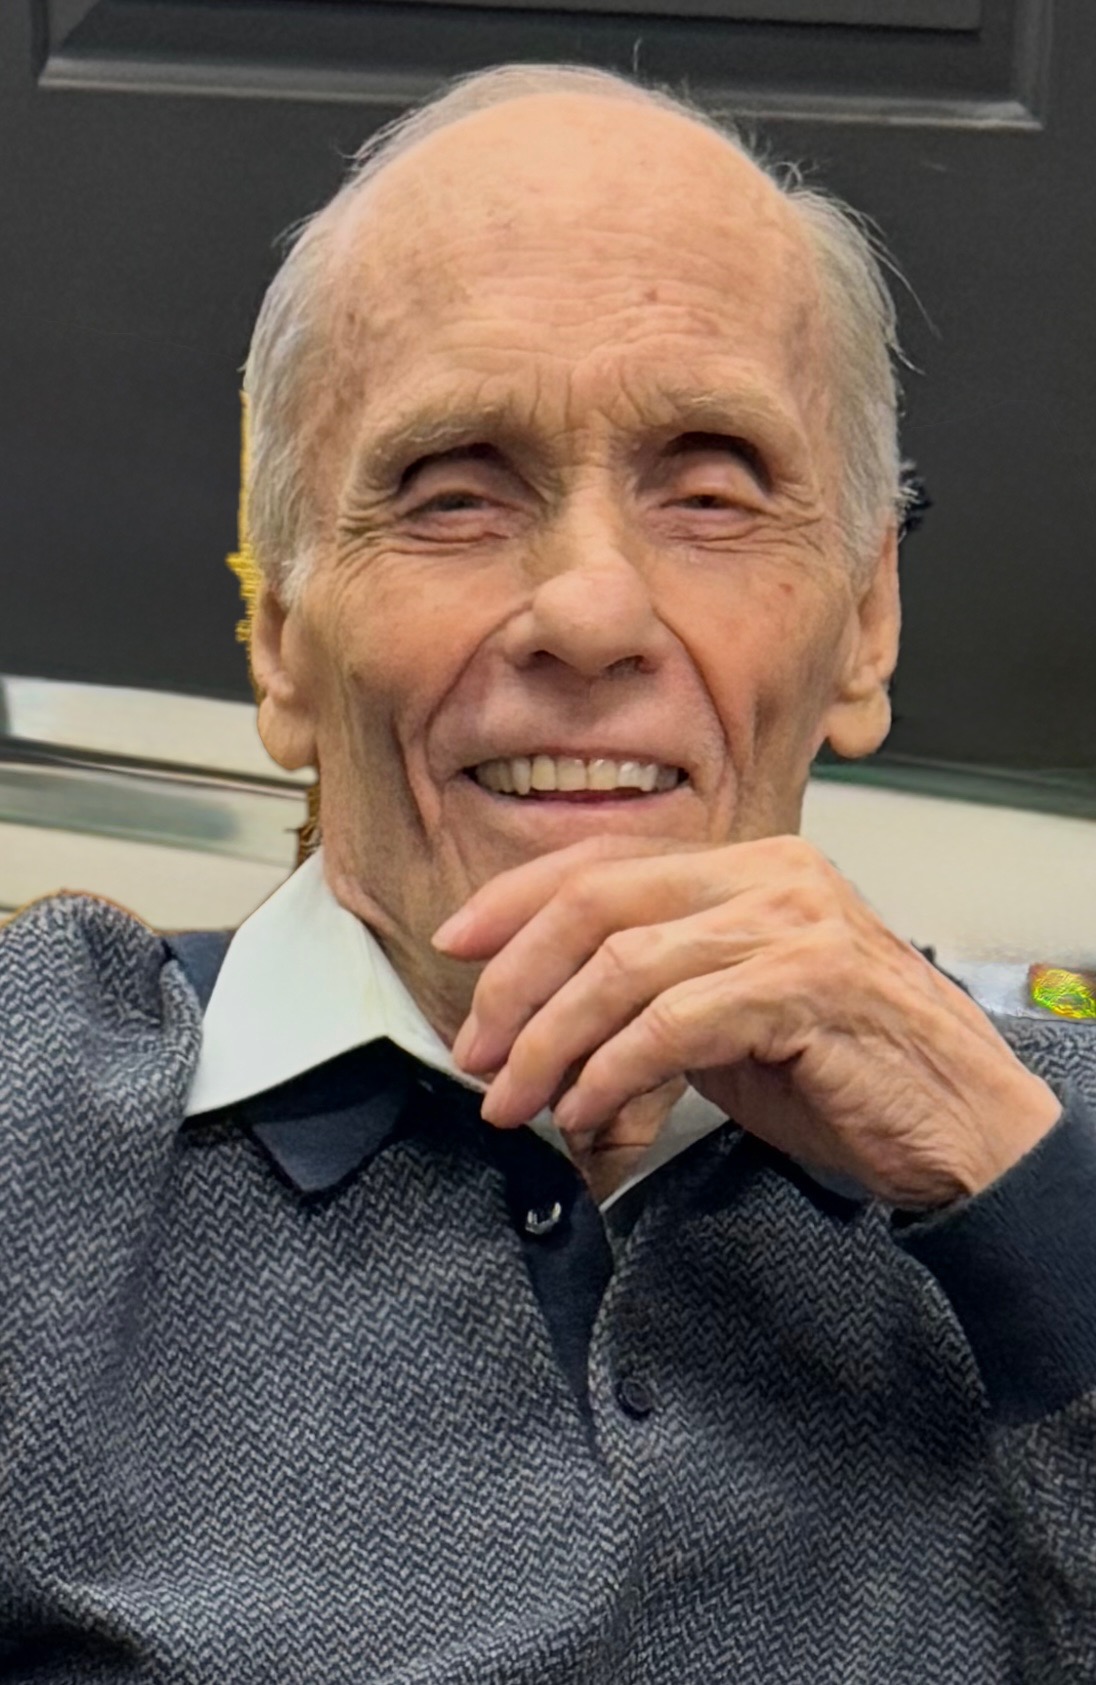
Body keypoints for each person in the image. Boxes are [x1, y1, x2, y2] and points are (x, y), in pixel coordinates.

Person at [2, 61, 1094, 1685]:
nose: (590, 612)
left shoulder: (1049, 1135)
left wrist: (1028, 1206)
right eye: (452, 493)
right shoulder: (33, 1102)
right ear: (282, 642)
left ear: (865, 621)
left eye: (712, 490)